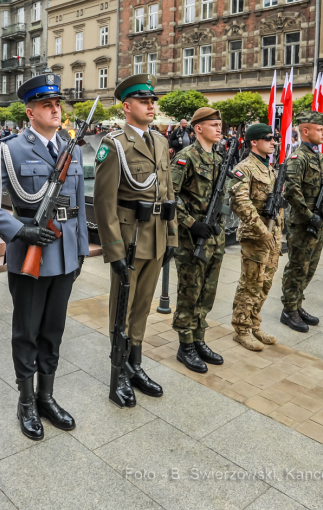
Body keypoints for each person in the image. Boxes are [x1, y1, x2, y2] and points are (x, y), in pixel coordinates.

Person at [0, 74, 87, 440]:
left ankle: (46, 396)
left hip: (65, 255)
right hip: (31, 255)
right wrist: (20, 231)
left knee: (54, 330)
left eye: (58, 104)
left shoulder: (73, 148)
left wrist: (80, 251)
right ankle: (26, 402)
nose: (56, 109)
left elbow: (79, 206)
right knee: (27, 332)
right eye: (47, 104)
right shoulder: (11, 149)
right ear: (30, 111)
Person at [94, 73, 175, 407]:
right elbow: (104, 201)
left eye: (152, 101)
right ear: (127, 107)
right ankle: (118, 371)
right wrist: (113, 250)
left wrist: (171, 238)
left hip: (155, 235)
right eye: (144, 101)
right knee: (122, 309)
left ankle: (135, 364)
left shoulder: (160, 142)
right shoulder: (113, 145)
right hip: (129, 238)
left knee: (142, 307)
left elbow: (167, 193)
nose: (151, 105)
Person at [171, 107, 228, 373]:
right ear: (198, 129)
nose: (219, 128)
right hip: (191, 241)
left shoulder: (218, 158)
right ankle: (185, 345)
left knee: (207, 293)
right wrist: (192, 224)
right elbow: (169, 197)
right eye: (214, 124)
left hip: (214, 239)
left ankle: (199, 338)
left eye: (220, 124)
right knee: (190, 293)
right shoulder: (186, 158)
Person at [228, 123, 282, 351]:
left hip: (273, 236)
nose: (274, 142)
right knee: (250, 283)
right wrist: (263, 231)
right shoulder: (245, 168)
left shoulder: (269, 168)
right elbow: (240, 202)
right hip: (256, 236)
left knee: (265, 283)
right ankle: (241, 329)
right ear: (254, 142)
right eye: (269, 138)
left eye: (274, 138)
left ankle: (254, 323)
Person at [279, 110, 323, 333]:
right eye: (319, 129)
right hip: (302, 223)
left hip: (318, 221)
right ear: (306, 131)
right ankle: (289, 309)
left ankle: (298, 304)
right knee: (298, 267)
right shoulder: (297, 158)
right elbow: (291, 190)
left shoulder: (319, 157)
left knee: (310, 268)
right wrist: (311, 216)